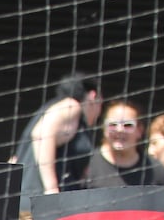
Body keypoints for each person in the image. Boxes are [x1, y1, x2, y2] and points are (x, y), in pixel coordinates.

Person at [13, 73, 102, 204]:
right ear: (93, 96)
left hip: (30, 198)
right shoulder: (71, 106)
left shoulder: (50, 108)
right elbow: (41, 135)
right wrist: (51, 189)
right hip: (41, 203)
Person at [84, 99, 164, 188]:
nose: (119, 130)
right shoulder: (86, 165)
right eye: (113, 124)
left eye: (127, 125)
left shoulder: (156, 171)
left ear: (140, 130)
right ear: (104, 128)